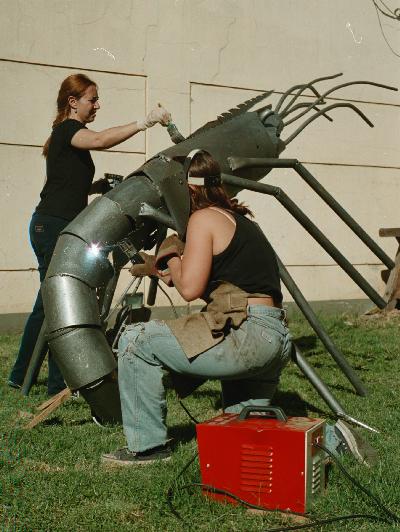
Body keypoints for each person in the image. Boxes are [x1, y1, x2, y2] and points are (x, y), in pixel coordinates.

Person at [102, 149, 293, 465]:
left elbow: (189, 289)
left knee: (136, 340)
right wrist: (158, 268)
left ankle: (147, 448)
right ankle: (330, 439)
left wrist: (170, 254)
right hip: (273, 336)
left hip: (246, 334)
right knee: (246, 438)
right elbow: (219, 287)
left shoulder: (202, 219)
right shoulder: (238, 220)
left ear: (186, 188)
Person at [8, 73, 171, 395]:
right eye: (92, 100)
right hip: (52, 226)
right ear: (73, 102)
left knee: (52, 302)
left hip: (54, 223)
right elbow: (100, 140)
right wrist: (145, 122)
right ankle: (45, 379)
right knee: (59, 302)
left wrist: (96, 187)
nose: (97, 105)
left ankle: (30, 376)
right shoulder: (68, 129)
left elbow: (64, 185)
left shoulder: (64, 135)